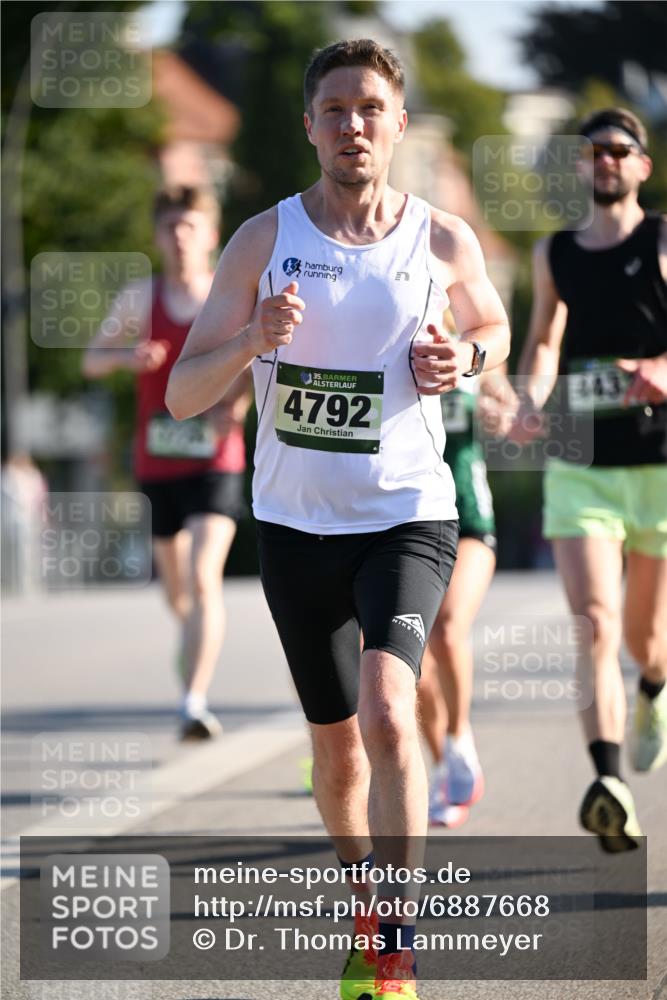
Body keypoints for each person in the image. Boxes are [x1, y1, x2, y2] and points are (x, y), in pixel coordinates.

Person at [167, 40, 510, 1000]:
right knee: (336, 748)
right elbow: (185, 394)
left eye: (368, 108)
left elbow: (493, 327)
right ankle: (365, 904)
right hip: (293, 525)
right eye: (333, 109)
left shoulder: (441, 238)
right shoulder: (261, 240)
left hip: (407, 514)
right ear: (309, 126)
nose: (351, 124)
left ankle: (395, 939)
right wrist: (252, 337)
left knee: (389, 710)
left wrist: (464, 361)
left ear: (397, 124)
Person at [495, 108, 666, 852]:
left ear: (641, 166)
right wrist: (529, 399)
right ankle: (608, 782)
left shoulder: (661, 240)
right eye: (592, 151)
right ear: (579, 165)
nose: (605, 161)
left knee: (647, 637)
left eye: (618, 151)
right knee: (594, 622)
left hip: (657, 465)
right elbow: (541, 340)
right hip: (581, 461)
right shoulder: (554, 252)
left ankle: (654, 688)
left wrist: (660, 369)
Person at [83, 185, 251, 740]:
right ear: (157, 237)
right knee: (176, 592)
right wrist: (126, 357)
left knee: (203, 578)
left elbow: (259, 361)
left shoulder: (226, 297)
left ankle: (192, 701)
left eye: (190, 226)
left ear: (211, 235)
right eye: (170, 227)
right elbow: (91, 361)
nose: (180, 237)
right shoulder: (141, 298)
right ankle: (194, 639)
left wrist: (237, 405)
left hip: (215, 459)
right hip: (157, 460)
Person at [418, 352, 499, 829]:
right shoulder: (387, 340)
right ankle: (444, 768)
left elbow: (510, 406)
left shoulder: (475, 349)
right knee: (409, 664)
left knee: (447, 631)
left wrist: (502, 412)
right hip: (409, 523)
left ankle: (459, 736)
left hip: (469, 520)